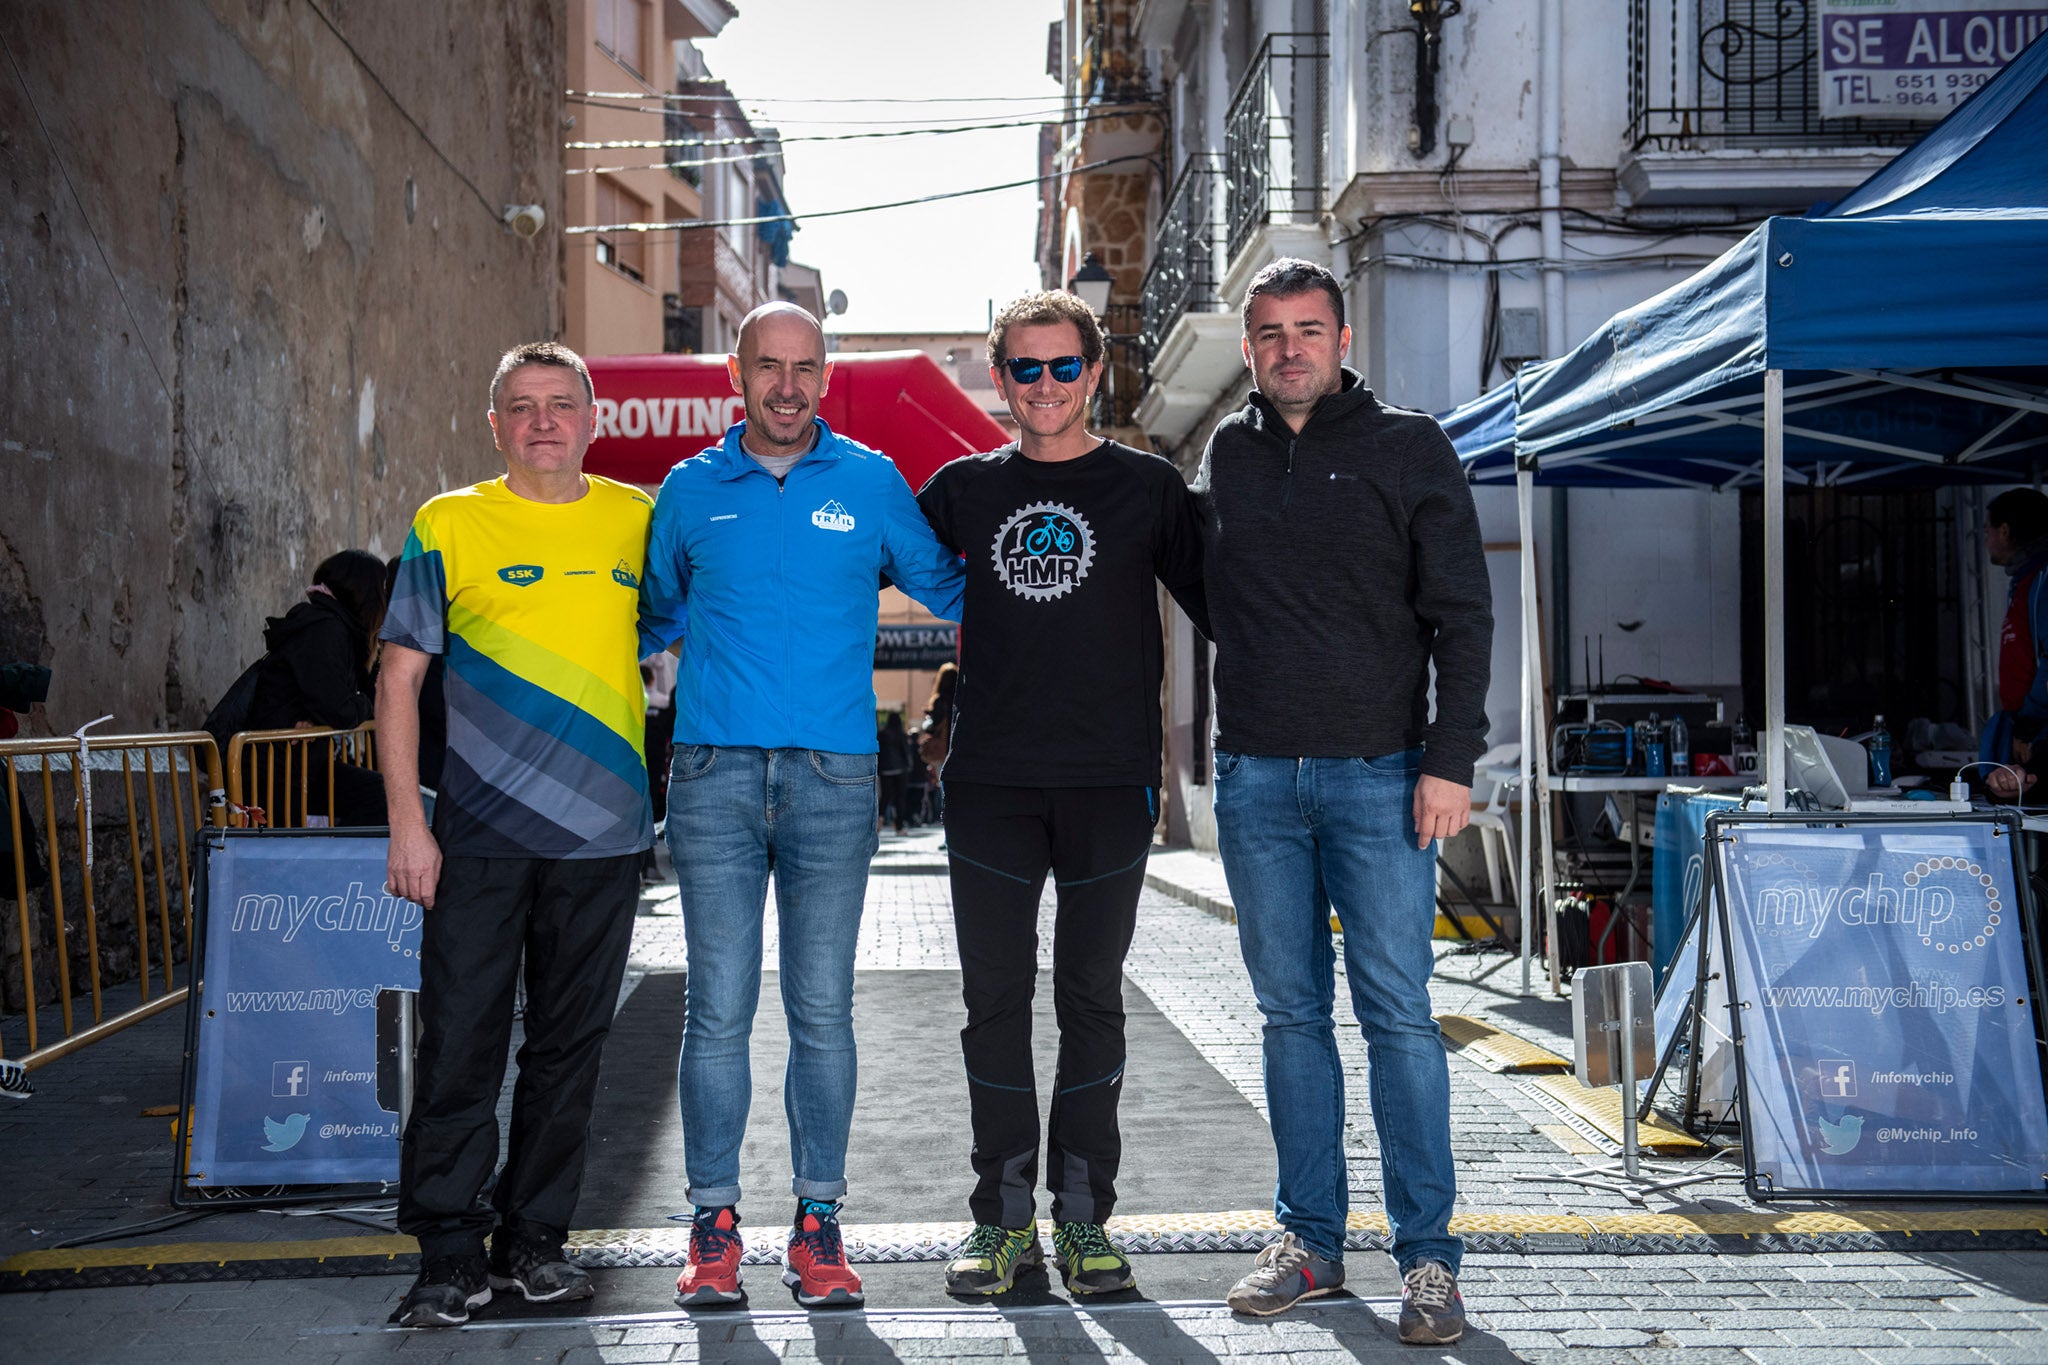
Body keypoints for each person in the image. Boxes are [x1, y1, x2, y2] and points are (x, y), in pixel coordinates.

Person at [639, 301, 965, 1310]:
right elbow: (652, 612)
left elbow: (954, 588)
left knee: (821, 1009)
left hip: (830, 781)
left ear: (824, 376)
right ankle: (713, 1225)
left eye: (804, 367)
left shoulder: (869, 481)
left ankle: (818, 1221)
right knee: (717, 1010)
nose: (786, 385)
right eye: (767, 367)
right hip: (713, 779)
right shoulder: (689, 492)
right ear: (736, 377)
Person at [1193, 259, 1490, 1343]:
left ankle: (1427, 1261)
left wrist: (1448, 760)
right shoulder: (1226, 452)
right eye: (1268, 333)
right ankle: (1308, 1241)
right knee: (1286, 1017)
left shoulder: (1407, 445)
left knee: (1398, 1018)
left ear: (1342, 336)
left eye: (1306, 329)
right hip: (1258, 778)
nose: (1287, 349)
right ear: (1247, 347)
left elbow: (1463, 612)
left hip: (1379, 777)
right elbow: (1209, 584)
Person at [916, 290, 1206, 1299]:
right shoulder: (959, 491)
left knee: (1090, 1002)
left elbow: (1234, 605)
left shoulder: (1148, 490)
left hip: (1105, 787)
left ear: (1092, 374)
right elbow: (844, 578)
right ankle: (1001, 1224)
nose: (1044, 386)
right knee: (993, 1006)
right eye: (1023, 369)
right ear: (999, 382)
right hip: (990, 789)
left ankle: (1082, 1221)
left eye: (1062, 367)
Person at [378, 342, 655, 1328]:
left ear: (592, 418)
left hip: (604, 840)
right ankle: (447, 1257)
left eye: (560, 404)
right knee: (460, 1048)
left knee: (567, 1055)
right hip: (479, 840)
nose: (543, 420)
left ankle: (535, 1245)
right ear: (493, 424)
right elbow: (398, 680)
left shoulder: (638, 520)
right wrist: (409, 824)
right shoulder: (447, 523)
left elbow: (675, 628)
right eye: (521, 406)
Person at [247, 549, 389, 826]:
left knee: (376, 793)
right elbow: (342, 710)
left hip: (299, 765)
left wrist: (325, 715)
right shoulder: (323, 629)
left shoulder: (340, 631)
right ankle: (345, 867)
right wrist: (348, 707)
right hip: (275, 768)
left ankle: (347, 867)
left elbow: (363, 695)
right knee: (283, 856)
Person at [1981, 488, 2048, 801]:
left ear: (2004, 531)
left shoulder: (2043, 580)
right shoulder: (2025, 580)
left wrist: (2028, 727)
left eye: (1987, 530)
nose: (1986, 540)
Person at [877, 711, 913, 835]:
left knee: (885, 796)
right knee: (900, 798)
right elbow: (905, 751)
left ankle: (879, 820)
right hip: (900, 769)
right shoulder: (901, 735)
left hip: (885, 770)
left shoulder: (881, 735)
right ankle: (899, 827)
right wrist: (909, 766)